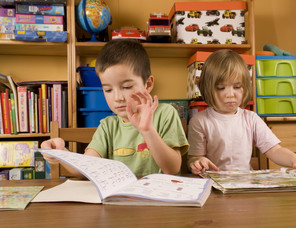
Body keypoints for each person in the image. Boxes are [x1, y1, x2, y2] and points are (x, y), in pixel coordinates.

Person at [41, 39, 189, 178]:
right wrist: (60, 152)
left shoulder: (165, 114)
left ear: (148, 84)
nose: (117, 97)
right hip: (119, 203)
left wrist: (147, 131)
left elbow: (172, 169)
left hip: (159, 201)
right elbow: (85, 168)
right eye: (108, 90)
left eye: (127, 87)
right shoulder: (108, 126)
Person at [187, 49, 296, 175]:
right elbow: (194, 157)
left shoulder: (251, 118)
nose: (230, 94)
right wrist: (197, 162)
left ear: (245, 87)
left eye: (237, 87)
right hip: (214, 187)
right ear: (207, 88)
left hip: (245, 185)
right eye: (221, 88)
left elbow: (275, 150)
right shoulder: (199, 121)